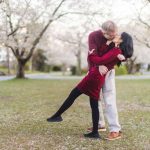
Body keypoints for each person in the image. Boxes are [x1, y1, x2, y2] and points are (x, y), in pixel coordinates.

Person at [47, 32, 133, 139]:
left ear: (122, 41)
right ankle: (95, 129)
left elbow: (101, 58)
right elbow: (104, 55)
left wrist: (97, 60)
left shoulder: (116, 51)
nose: (116, 35)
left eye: (119, 36)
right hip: (96, 74)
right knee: (92, 101)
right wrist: (108, 45)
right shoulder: (114, 48)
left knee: (83, 96)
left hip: (96, 76)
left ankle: (58, 116)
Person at [87, 21, 123, 140]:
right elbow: (93, 56)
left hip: (109, 71)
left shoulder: (116, 38)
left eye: (115, 35)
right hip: (94, 70)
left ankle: (115, 129)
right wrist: (98, 65)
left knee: (109, 100)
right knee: (94, 98)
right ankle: (99, 124)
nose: (113, 37)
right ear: (103, 32)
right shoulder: (93, 36)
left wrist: (116, 51)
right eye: (110, 36)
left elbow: (116, 55)